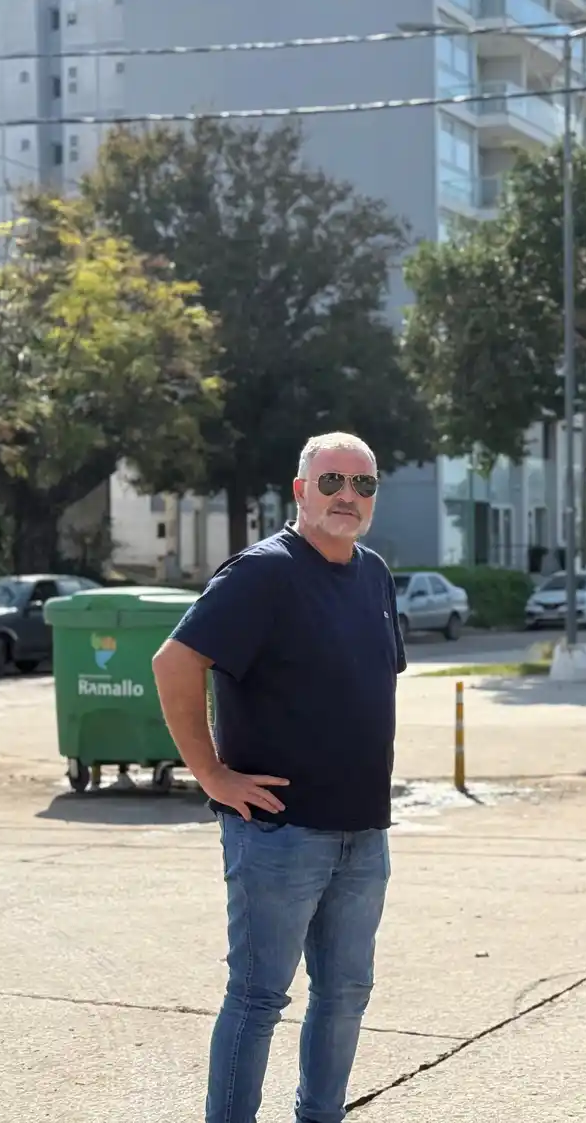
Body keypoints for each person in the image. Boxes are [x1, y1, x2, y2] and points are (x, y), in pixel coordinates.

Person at [151, 431, 405, 1123]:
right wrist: (213, 775)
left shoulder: (375, 574)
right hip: (280, 835)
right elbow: (174, 663)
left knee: (347, 993)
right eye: (331, 482)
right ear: (300, 490)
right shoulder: (262, 573)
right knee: (260, 997)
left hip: (363, 832)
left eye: (363, 484)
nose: (347, 496)